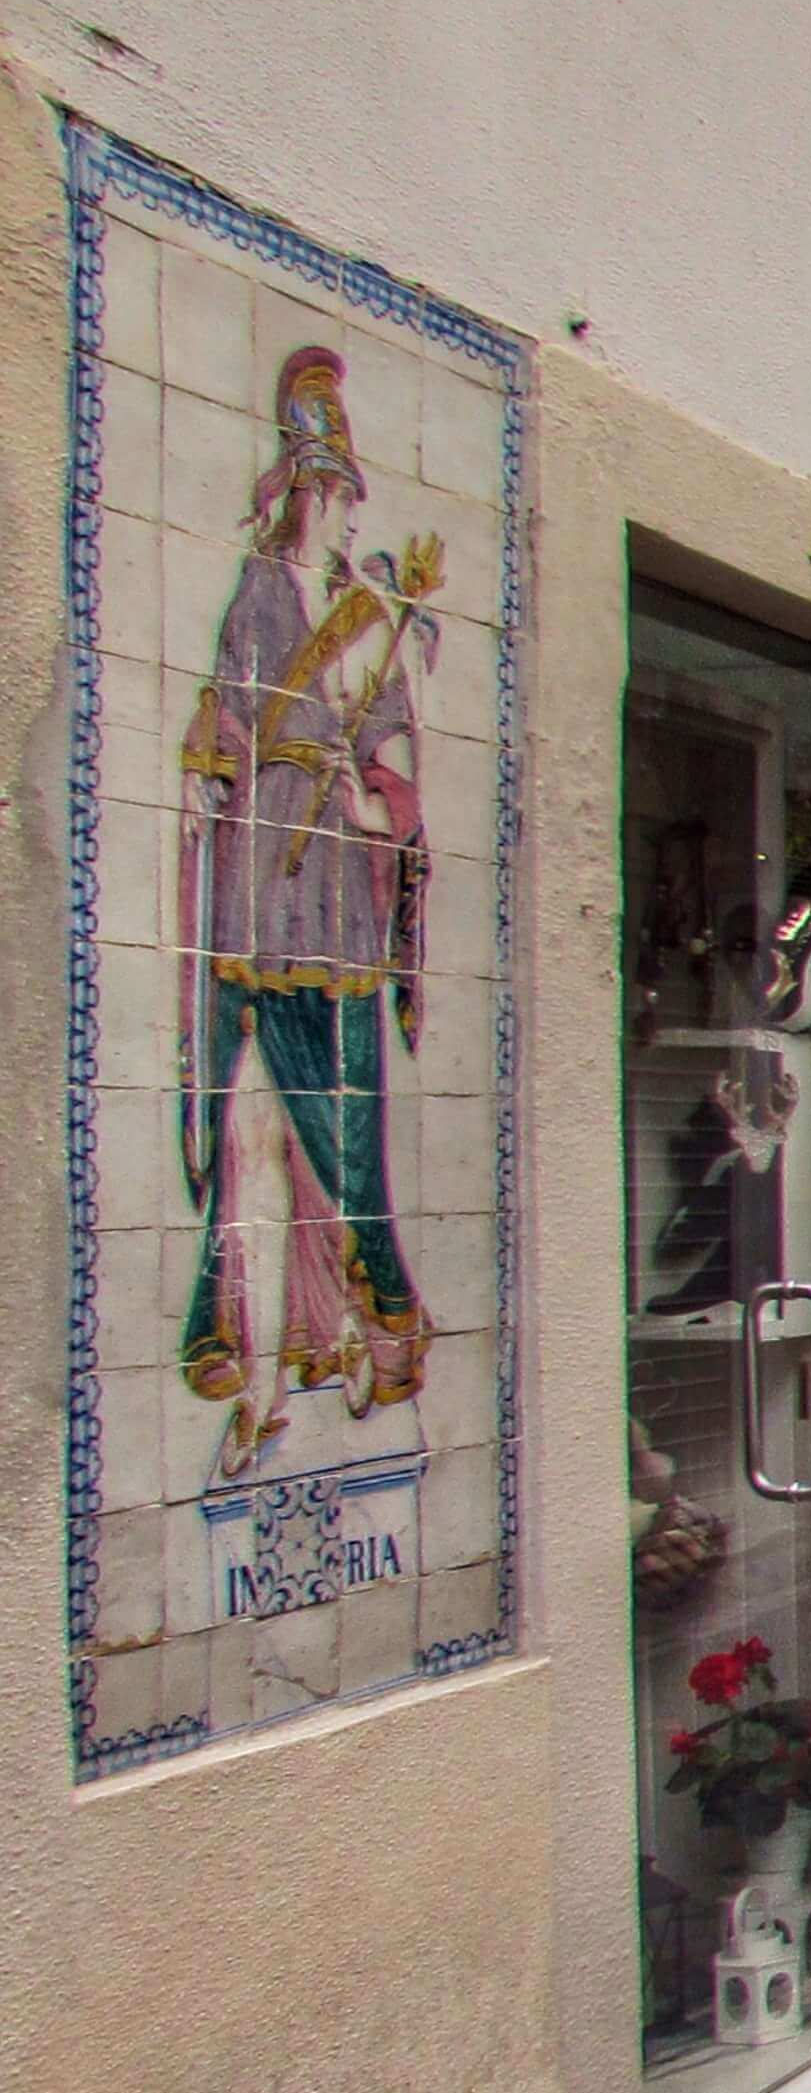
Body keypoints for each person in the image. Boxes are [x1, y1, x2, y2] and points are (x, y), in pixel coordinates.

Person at [177, 345, 439, 1478]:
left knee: (339, 1140)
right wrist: (210, 769)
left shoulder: (369, 619)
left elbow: (393, 771)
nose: (344, 524)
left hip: (331, 917)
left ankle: (384, 1314)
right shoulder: (256, 597)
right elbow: (220, 728)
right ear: (309, 497)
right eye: (336, 504)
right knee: (253, 1140)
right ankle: (263, 1371)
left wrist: (371, 795)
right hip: (255, 903)